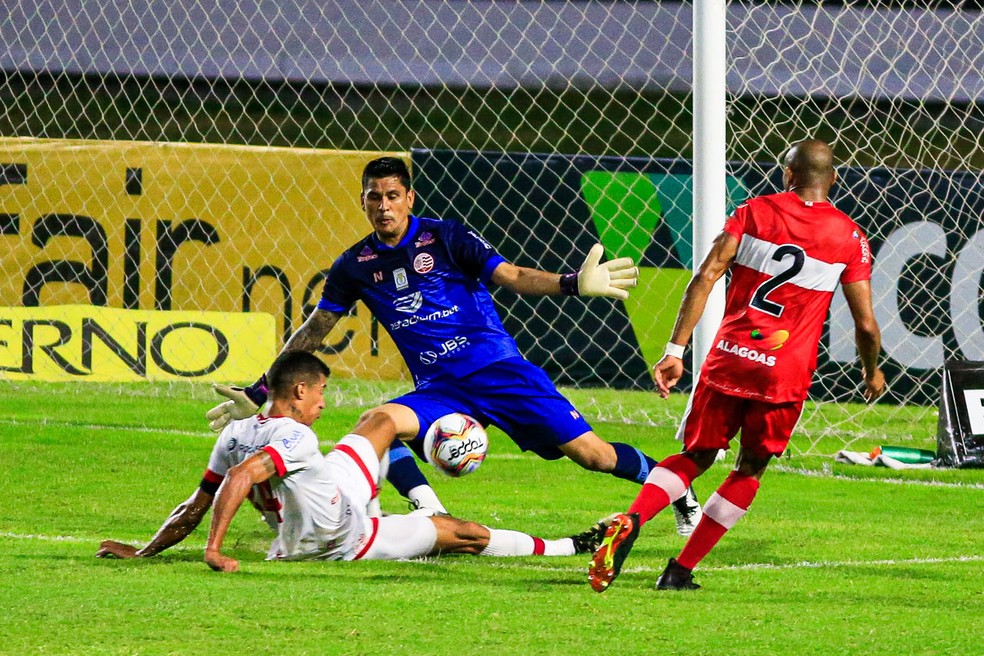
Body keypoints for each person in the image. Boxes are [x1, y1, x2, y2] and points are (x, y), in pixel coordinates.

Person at [205, 156, 702, 536]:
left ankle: (675, 487)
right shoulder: (354, 264)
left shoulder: (446, 237)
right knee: (377, 425)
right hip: (440, 389)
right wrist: (262, 387)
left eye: (392, 195)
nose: (383, 206)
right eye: (374, 197)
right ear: (362, 202)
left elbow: (513, 276)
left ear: (409, 197)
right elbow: (313, 331)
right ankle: (429, 509)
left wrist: (572, 283)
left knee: (594, 456)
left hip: (499, 373)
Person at [587, 138, 886, 592]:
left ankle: (632, 518)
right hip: (783, 372)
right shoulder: (849, 236)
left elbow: (705, 276)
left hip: (729, 358)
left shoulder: (752, 212)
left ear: (788, 174)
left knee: (696, 456)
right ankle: (678, 572)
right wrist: (871, 370)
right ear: (834, 180)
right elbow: (865, 324)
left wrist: (675, 350)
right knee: (749, 468)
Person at [98, 350, 609, 570]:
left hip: (333, 482)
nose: (323, 403)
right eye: (319, 394)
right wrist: (213, 548)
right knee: (466, 535)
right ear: (298, 392)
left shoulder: (235, 432)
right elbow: (238, 478)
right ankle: (571, 546)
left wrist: (147, 552)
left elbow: (198, 499)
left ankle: (424, 499)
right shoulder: (294, 437)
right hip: (345, 537)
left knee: (382, 422)